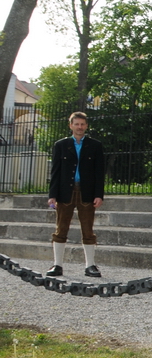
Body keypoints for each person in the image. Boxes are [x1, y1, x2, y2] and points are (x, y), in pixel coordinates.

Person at [47, 111, 106, 279]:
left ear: (86, 126)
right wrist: (52, 195)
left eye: (82, 124)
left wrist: (99, 195)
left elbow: (99, 172)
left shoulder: (95, 145)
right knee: (61, 228)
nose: (79, 127)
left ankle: (90, 265)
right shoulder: (61, 145)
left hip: (87, 192)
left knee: (88, 229)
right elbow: (55, 172)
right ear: (71, 125)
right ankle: (57, 265)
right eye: (77, 124)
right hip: (65, 192)